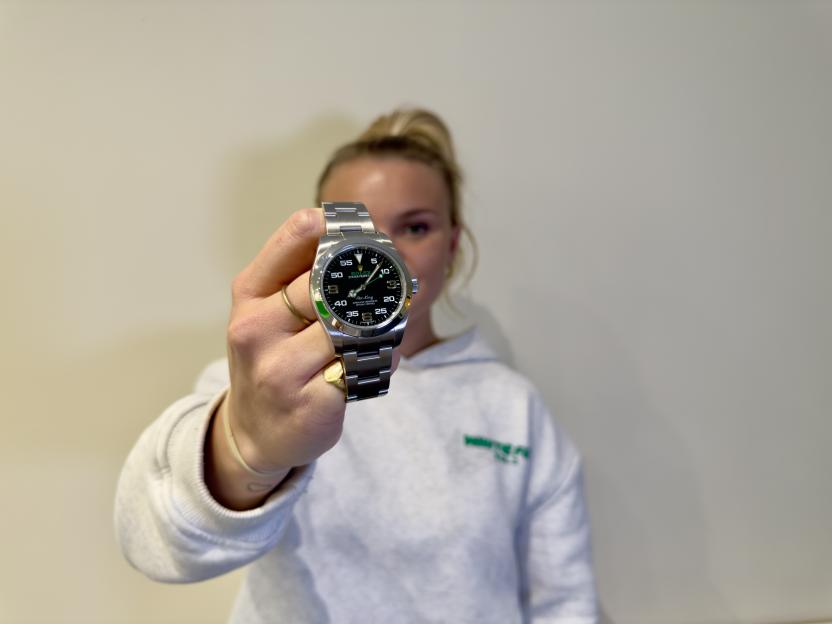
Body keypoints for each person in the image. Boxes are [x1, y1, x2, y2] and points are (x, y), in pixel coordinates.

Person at [115, 108, 599, 623]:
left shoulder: (514, 406)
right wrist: (246, 451)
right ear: (322, 248)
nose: (385, 252)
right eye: (361, 229)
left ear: (453, 245)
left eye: (415, 227)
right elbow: (160, 539)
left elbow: (565, 601)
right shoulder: (264, 384)